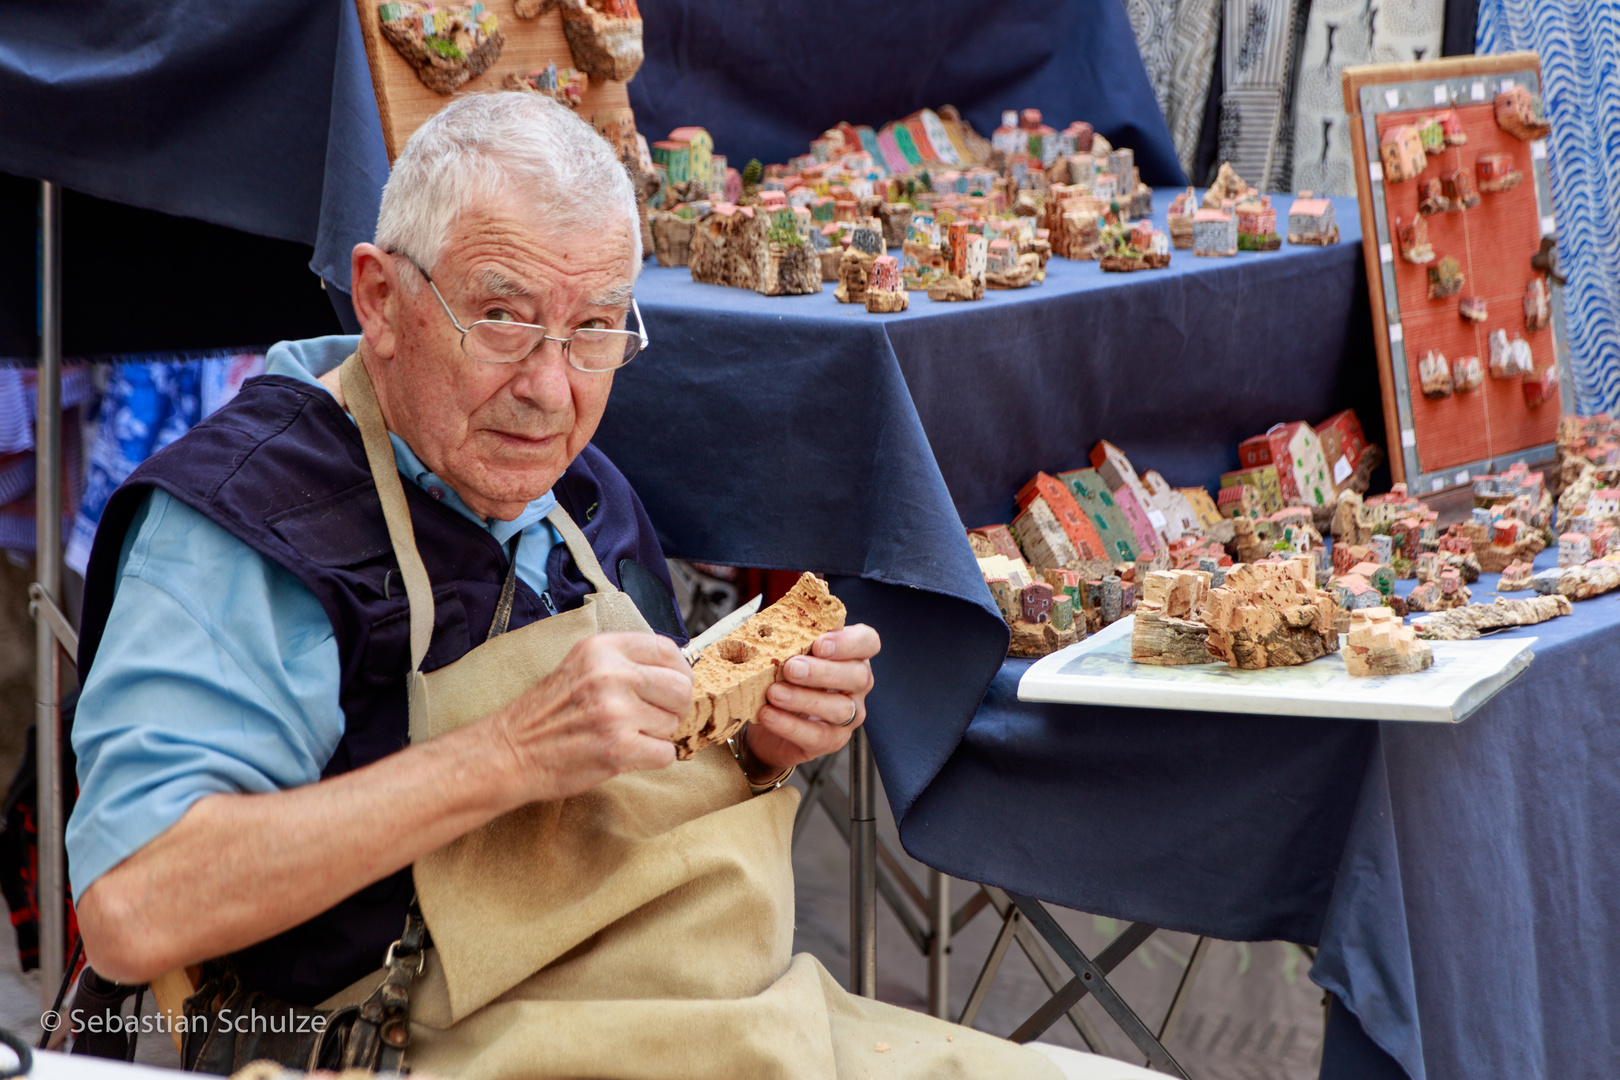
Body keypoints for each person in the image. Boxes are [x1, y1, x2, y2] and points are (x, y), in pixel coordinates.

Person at [65, 93, 1150, 1080]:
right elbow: (132, 910)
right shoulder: (241, 525)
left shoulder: (582, 496)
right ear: (381, 298)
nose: (549, 388)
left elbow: (616, 799)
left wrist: (752, 736)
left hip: (723, 1020)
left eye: (593, 328)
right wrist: (505, 754)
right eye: (502, 316)